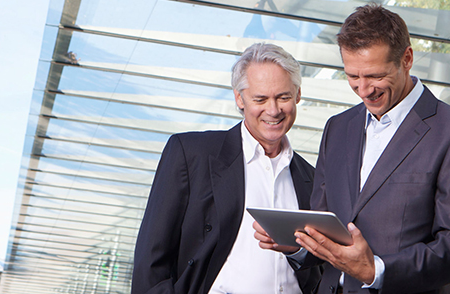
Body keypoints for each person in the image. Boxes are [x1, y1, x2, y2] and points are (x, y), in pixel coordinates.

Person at [255, 4, 450, 294]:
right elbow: (326, 226)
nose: (364, 89)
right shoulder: (338, 128)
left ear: (407, 59)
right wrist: (297, 246)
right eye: (353, 76)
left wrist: (375, 270)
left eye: (375, 76)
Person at [131, 43, 321, 294]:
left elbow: (320, 267)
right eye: (260, 99)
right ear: (239, 98)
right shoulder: (191, 154)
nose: (273, 110)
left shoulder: (314, 178)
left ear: (298, 95)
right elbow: (151, 261)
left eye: (283, 97)